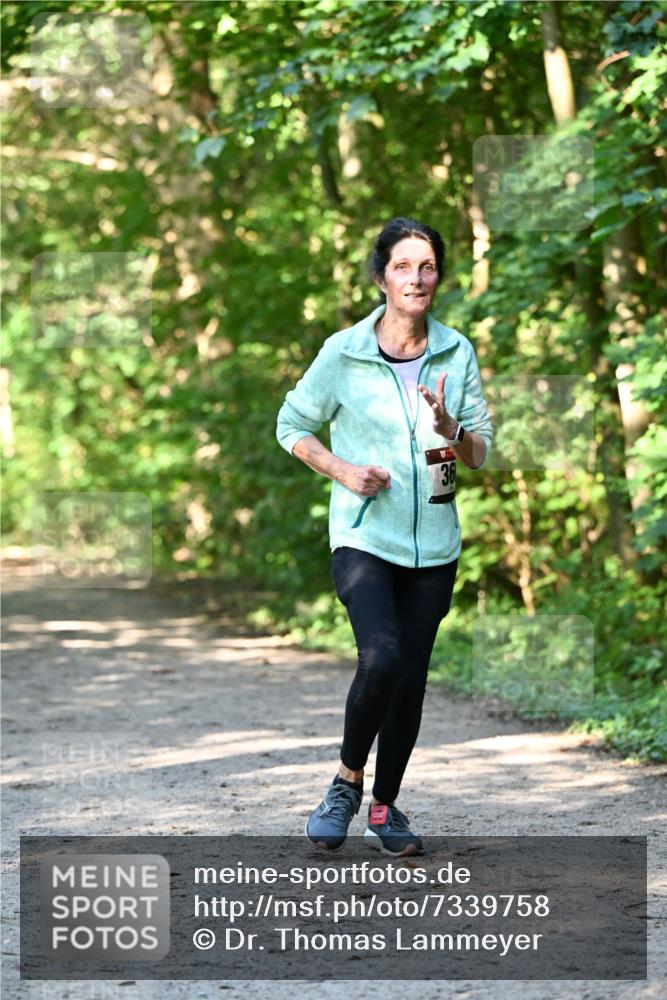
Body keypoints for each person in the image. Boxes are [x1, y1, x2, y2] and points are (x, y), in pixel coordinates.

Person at [275, 217, 493, 857]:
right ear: (381, 277)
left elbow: (480, 453)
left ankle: (384, 808)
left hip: (436, 546)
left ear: (437, 278)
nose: (416, 278)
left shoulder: (456, 351)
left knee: (412, 678)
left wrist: (453, 429)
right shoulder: (343, 352)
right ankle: (346, 782)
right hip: (364, 536)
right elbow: (292, 425)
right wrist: (343, 470)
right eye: (403, 266)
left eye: (427, 267)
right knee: (383, 657)